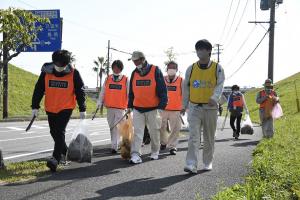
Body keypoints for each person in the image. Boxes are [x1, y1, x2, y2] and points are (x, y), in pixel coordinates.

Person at [31, 50, 86, 172]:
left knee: (60, 131)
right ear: (53, 62)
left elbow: (80, 91)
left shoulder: (74, 73)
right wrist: (35, 106)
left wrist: (82, 108)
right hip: (50, 106)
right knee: (53, 132)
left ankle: (55, 159)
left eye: (63, 65)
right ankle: (66, 152)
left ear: (67, 64)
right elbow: (39, 88)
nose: (60, 68)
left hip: (66, 107)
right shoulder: (46, 71)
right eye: (58, 65)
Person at [182, 39, 225, 174]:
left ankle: (207, 162)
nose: (199, 52)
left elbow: (220, 84)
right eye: (197, 49)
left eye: (202, 49)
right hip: (194, 107)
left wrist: (215, 98)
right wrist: (184, 105)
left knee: (209, 137)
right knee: (193, 137)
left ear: (208, 51)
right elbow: (186, 88)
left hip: (210, 108)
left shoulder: (217, 68)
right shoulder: (191, 68)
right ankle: (191, 164)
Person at [128, 51, 168, 164]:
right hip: (137, 108)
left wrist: (161, 106)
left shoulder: (155, 70)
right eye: (133, 61)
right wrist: (130, 105)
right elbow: (131, 91)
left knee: (154, 131)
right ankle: (135, 154)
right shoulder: (134, 73)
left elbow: (163, 90)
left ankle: (155, 151)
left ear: (143, 59)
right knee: (137, 132)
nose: (135, 63)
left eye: (137, 61)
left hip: (153, 108)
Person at [97, 60, 128, 153]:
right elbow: (103, 91)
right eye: (114, 67)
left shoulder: (126, 79)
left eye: (118, 67)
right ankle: (115, 144)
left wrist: (130, 106)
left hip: (120, 108)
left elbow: (129, 93)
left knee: (117, 127)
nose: (116, 69)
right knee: (111, 126)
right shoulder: (108, 78)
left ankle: (114, 146)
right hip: (109, 107)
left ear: (121, 68)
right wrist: (99, 102)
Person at [160, 61, 183, 155]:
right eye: (169, 67)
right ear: (166, 69)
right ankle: (163, 142)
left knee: (175, 129)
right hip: (163, 109)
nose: (171, 69)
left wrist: (184, 107)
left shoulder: (181, 80)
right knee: (161, 127)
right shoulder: (161, 79)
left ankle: (173, 146)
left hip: (176, 109)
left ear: (177, 69)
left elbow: (185, 94)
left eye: (173, 67)